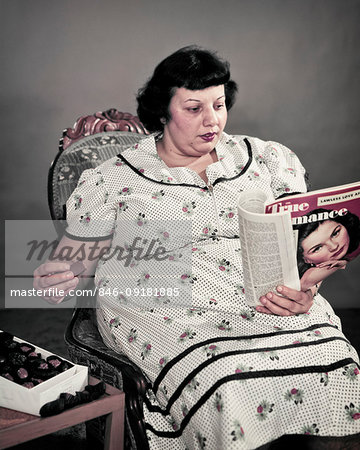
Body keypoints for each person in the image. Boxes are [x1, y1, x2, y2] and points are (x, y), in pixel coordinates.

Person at [34, 46, 360, 449]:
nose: (213, 121)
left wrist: (307, 287)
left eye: (220, 105)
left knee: (336, 366)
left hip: (269, 299)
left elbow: (301, 246)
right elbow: (73, 261)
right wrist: (58, 273)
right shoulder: (112, 179)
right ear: (163, 111)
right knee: (226, 379)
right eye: (194, 108)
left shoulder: (269, 159)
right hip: (171, 307)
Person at [295, 208, 360, 291]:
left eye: (335, 233)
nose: (334, 247)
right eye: (317, 248)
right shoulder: (310, 274)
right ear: (306, 260)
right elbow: (305, 283)